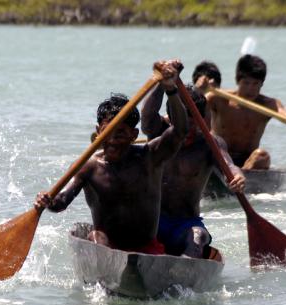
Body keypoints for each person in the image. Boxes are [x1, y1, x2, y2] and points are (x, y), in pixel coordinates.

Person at [34, 60, 187, 254]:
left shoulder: (149, 157)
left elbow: (180, 131)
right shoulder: (88, 167)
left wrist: (171, 91)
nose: (113, 140)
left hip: (146, 247)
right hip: (106, 247)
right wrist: (47, 201)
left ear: (134, 135)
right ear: (98, 132)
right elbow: (61, 202)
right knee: (97, 236)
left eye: (121, 133)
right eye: (107, 132)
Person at [141, 79, 245, 258]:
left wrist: (237, 177)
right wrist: (161, 81)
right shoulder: (158, 132)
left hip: (186, 223)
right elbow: (147, 115)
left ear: (202, 119)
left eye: (194, 124)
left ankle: (184, 273)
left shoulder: (210, 144)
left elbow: (229, 166)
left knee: (199, 236)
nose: (188, 132)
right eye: (183, 126)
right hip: (152, 220)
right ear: (171, 118)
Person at [205, 54, 286, 170]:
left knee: (262, 156)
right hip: (220, 156)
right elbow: (192, 107)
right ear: (238, 80)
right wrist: (201, 89)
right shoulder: (219, 98)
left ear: (262, 84)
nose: (250, 89)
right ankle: (234, 178)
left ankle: (239, 179)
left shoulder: (268, 105)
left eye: (255, 84)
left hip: (247, 162)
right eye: (246, 83)